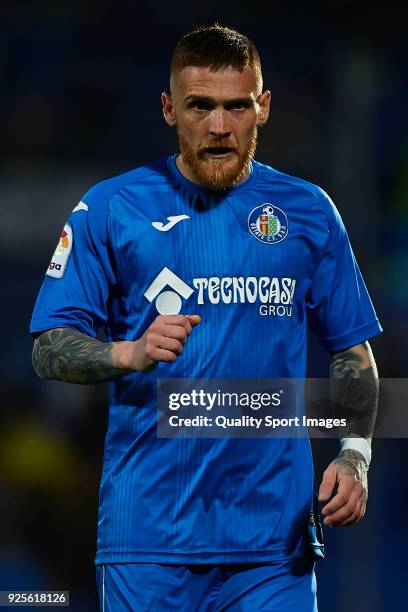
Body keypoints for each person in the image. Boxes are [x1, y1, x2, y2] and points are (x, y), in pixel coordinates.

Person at [30, 24, 381, 612]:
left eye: (236, 106)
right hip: (149, 544)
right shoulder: (112, 208)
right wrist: (129, 352)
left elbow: (352, 353)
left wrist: (356, 452)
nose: (219, 127)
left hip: (276, 549)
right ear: (169, 108)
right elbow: (48, 346)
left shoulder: (308, 211)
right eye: (200, 106)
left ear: (262, 107)